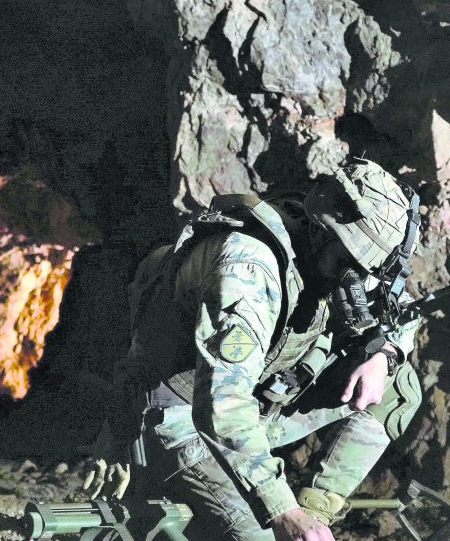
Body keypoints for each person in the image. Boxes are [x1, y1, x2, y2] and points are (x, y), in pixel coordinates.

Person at [85, 158, 424, 541]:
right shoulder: (249, 271)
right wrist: (280, 509)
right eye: (351, 265)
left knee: (398, 386)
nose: (357, 280)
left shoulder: (333, 256)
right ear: (323, 232)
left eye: (365, 270)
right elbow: (222, 404)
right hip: (183, 418)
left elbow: (400, 308)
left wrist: (384, 352)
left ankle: (315, 516)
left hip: (259, 405)